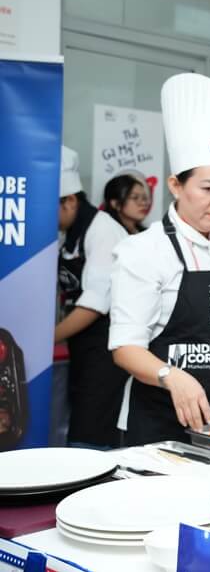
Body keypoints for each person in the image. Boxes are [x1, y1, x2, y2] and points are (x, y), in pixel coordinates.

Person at [109, 73, 210, 445]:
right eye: (207, 188)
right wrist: (173, 376)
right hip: (159, 429)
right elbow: (125, 349)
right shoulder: (144, 251)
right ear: (176, 185)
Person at [55, 146, 129, 449]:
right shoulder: (69, 232)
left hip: (106, 350)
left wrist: (50, 337)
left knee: (92, 435)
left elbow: (95, 303)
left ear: (70, 200)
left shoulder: (103, 231)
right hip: (84, 348)